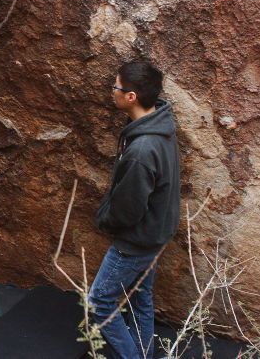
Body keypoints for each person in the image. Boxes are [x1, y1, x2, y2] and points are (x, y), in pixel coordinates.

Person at [89, 61, 181, 359]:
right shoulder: (160, 125)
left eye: (115, 86)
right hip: (156, 234)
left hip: (137, 241)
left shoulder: (142, 150)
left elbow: (127, 212)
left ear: (130, 97)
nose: (111, 91)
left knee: (99, 305)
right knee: (141, 299)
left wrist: (104, 218)